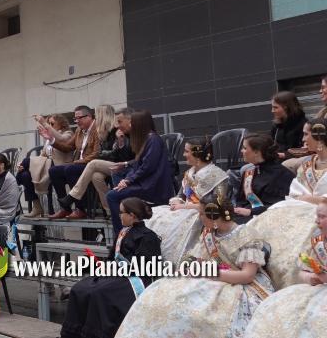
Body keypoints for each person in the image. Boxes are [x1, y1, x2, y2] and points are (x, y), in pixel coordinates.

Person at [116, 182, 274, 338]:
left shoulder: (246, 235)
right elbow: (195, 258)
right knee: (162, 292)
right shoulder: (209, 234)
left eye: (201, 214)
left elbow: (247, 275)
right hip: (210, 280)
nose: (199, 218)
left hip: (241, 288)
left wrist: (207, 273)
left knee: (195, 312)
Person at [60, 197, 162, 338]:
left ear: (131, 215)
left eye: (121, 212)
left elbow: (145, 267)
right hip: (116, 275)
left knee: (99, 292)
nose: (119, 215)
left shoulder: (148, 237)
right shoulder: (122, 233)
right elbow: (112, 257)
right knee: (80, 288)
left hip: (134, 279)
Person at [243, 198, 327, 338]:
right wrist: (310, 278)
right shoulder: (317, 241)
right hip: (317, 292)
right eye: (316, 216)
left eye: (322, 217)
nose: (317, 221)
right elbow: (303, 271)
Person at [144, 137, 229, 263]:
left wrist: (184, 207)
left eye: (187, 151)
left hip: (204, 214)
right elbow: (182, 194)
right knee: (153, 215)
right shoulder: (189, 173)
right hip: (184, 208)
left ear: (197, 154)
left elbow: (216, 204)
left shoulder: (218, 176)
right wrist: (178, 200)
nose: (184, 155)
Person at [106, 110, 175, 232]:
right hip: (146, 183)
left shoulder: (153, 140)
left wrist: (128, 180)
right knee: (117, 187)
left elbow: (147, 167)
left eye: (133, 122)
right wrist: (126, 180)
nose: (131, 125)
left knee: (112, 196)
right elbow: (138, 165)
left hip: (152, 187)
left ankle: (121, 233)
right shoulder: (147, 140)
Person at [59, 107, 135, 215]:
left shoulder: (117, 131)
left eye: (97, 116)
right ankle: (110, 210)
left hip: (124, 164)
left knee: (93, 163)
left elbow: (121, 155)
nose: (96, 119)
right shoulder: (104, 132)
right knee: (96, 176)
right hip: (112, 164)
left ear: (103, 117)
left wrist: (120, 141)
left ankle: (72, 196)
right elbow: (103, 152)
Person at [49, 106, 100, 219]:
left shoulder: (97, 129)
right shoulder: (79, 130)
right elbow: (68, 147)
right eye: (75, 119)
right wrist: (52, 140)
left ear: (89, 117)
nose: (76, 121)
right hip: (79, 163)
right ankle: (65, 209)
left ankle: (80, 209)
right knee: (54, 171)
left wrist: (82, 161)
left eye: (79, 118)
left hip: (92, 164)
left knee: (71, 169)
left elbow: (97, 153)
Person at [18, 114, 73, 217]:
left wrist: (44, 124)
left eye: (52, 124)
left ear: (61, 124)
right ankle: (37, 206)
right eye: (48, 124)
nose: (49, 126)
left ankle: (14, 182)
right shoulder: (48, 139)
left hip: (60, 166)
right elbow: (42, 156)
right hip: (48, 167)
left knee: (25, 162)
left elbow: (61, 139)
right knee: (25, 174)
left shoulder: (68, 133)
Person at [231, 133, 293, 223]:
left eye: (245, 148)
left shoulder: (282, 175)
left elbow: (280, 206)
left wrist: (251, 212)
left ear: (257, 152)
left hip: (270, 220)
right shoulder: (248, 173)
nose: (241, 151)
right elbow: (241, 202)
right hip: (246, 216)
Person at [270, 90, 309, 173]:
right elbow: (271, 143)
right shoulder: (277, 125)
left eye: (275, 107)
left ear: (286, 107)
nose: (272, 111)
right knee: (247, 168)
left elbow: (306, 148)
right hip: (277, 158)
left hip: (292, 159)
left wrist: (285, 155)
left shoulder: (303, 124)